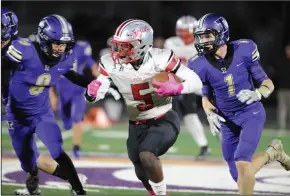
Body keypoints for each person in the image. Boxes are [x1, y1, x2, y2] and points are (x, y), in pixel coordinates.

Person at [85, 19, 203, 195]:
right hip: (136, 124)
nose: (119, 51)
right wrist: (91, 93)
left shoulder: (161, 58)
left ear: (142, 44)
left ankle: (162, 194)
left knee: (147, 155)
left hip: (163, 119)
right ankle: (153, 192)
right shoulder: (110, 63)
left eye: (125, 46)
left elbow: (196, 81)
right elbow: (97, 92)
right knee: (140, 171)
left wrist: (179, 88)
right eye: (118, 46)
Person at [181, 13, 290, 195]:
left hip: (250, 113)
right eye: (201, 36)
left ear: (221, 34)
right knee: (239, 177)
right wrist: (209, 112)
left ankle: (273, 153)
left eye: (207, 35)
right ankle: (273, 153)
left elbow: (267, 82)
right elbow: (206, 95)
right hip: (226, 120)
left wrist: (258, 93)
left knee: (242, 162)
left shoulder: (244, 50)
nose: (203, 41)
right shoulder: (199, 63)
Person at [2, 14, 93, 195]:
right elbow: (4, 67)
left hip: (41, 112)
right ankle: (35, 188)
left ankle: (76, 186)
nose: (61, 48)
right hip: (17, 115)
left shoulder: (63, 58)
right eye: (57, 43)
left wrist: (93, 85)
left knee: (56, 149)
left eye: (64, 44)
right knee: (29, 161)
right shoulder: (24, 49)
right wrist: (5, 95)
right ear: (45, 40)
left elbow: (72, 75)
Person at [164, 15, 210, 159]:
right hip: (185, 83)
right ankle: (203, 146)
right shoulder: (171, 43)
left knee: (218, 112)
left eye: (187, 32)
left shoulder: (203, 43)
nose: (184, 35)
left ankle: (231, 141)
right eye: (181, 31)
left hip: (204, 82)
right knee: (188, 113)